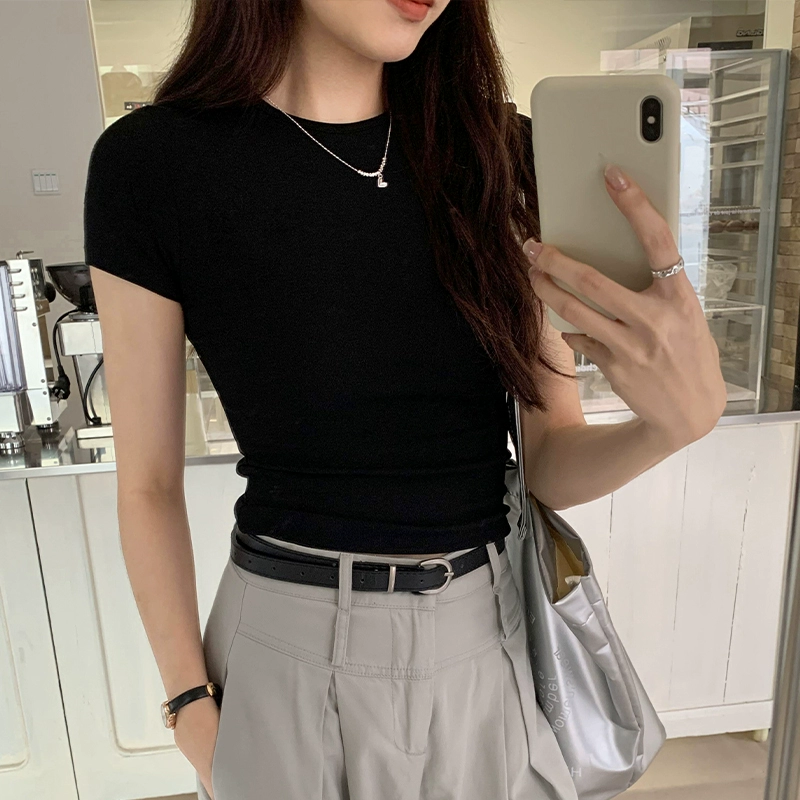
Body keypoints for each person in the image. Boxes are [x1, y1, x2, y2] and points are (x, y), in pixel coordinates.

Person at [83, 1, 726, 799]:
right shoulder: (153, 164)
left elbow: (549, 458)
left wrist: (669, 428)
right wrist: (188, 706)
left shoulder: (499, 154)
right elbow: (147, 484)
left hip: (489, 645)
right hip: (286, 654)